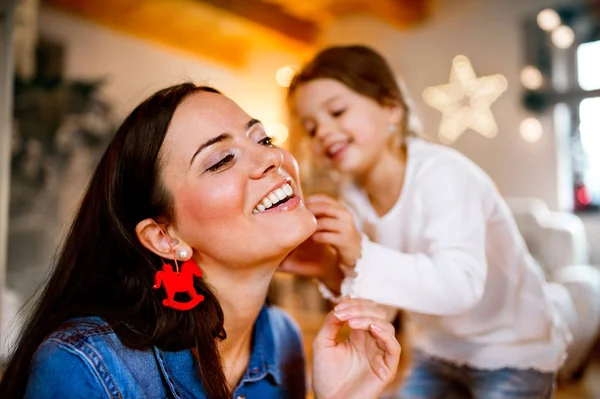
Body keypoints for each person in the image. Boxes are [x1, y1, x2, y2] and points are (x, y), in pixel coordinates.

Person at [0, 83, 401, 399]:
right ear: (163, 237)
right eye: (221, 160)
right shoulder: (83, 366)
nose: (272, 159)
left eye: (263, 140)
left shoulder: (283, 339)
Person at [282, 45, 572, 398]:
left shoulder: (444, 174)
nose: (323, 132)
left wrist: (359, 251)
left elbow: (459, 287)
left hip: (510, 349)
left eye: (338, 111)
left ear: (391, 109)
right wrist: (327, 267)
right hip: (436, 350)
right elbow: (382, 304)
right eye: (310, 128)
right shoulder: (354, 199)